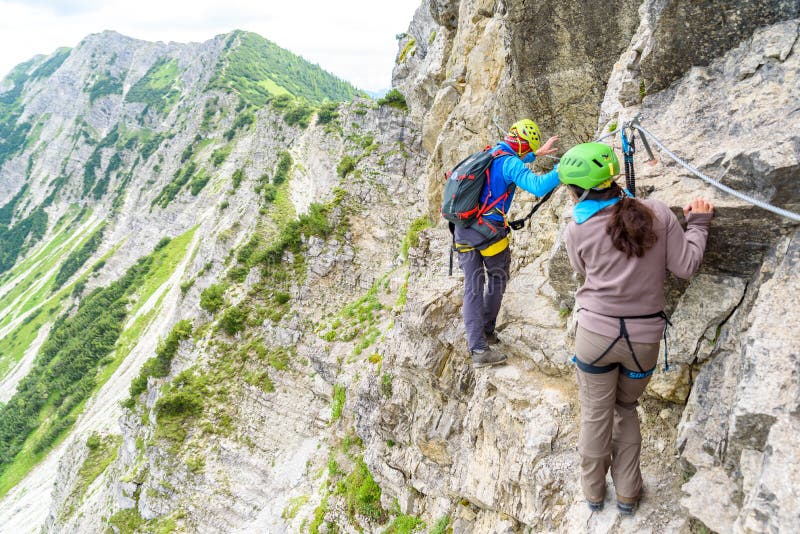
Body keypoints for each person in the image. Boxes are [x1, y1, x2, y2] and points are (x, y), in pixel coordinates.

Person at [559, 142, 714, 514]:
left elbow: (582, 271)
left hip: (595, 337)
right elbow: (686, 266)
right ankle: (628, 494)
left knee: (596, 413)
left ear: (577, 190)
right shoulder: (657, 212)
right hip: (643, 340)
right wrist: (698, 224)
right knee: (625, 408)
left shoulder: (576, 229)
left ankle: (594, 493)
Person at [455, 119, 560, 368]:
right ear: (524, 145)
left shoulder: (491, 152)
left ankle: (478, 347)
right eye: (528, 149)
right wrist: (562, 169)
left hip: (463, 228)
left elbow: (507, 164)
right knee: (497, 276)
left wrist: (535, 155)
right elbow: (538, 187)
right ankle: (487, 329)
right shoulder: (512, 163)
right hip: (489, 232)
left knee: (472, 286)